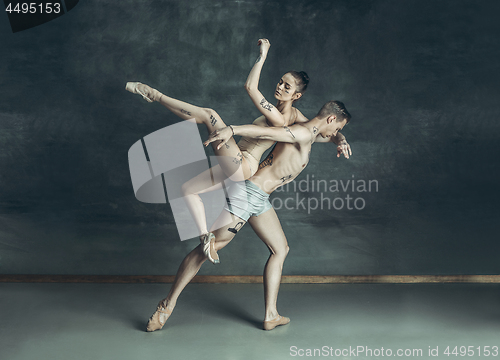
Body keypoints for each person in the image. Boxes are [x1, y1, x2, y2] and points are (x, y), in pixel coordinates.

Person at [126, 39, 351, 263]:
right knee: (188, 189)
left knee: (209, 114)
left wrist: (262, 56)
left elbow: (250, 87)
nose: (279, 87)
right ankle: (206, 236)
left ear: (296, 96)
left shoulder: (279, 116)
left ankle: (154, 95)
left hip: (242, 163)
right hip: (237, 162)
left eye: (286, 86)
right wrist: (340, 139)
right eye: (281, 82)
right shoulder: (297, 118)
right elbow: (322, 132)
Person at [144, 100, 351, 332]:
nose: (337, 133)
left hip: (260, 198)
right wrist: (233, 129)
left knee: (280, 249)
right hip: (249, 193)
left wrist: (341, 140)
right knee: (210, 247)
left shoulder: (310, 131)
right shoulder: (301, 132)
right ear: (331, 119)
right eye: (339, 128)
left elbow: (329, 136)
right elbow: (264, 131)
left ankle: (271, 315)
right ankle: (166, 305)